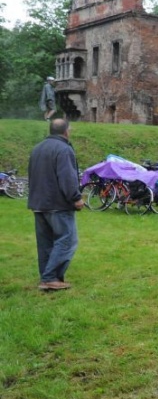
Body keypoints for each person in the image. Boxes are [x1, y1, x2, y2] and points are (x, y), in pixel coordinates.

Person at [27, 118, 84, 291]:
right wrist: (76, 197)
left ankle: (48, 278)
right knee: (67, 240)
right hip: (58, 204)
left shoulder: (37, 149)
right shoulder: (64, 149)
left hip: (39, 203)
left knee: (45, 244)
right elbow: (67, 177)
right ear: (66, 131)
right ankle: (50, 278)